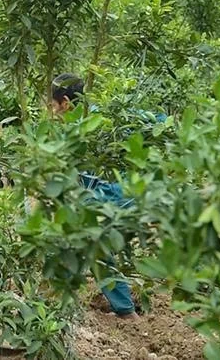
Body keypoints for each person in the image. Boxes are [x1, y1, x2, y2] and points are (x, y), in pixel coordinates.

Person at [50, 73, 141, 319]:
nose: (53, 112)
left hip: (116, 195)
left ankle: (124, 310)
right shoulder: (104, 114)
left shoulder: (77, 131)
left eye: (53, 105)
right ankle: (124, 307)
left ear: (65, 103)